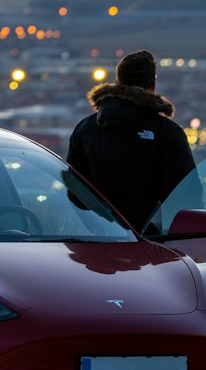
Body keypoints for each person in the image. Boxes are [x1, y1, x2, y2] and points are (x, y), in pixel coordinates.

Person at [66, 49, 195, 233]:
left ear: (117, 82)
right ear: (152, 87)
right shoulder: (166, 133)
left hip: (100, 241)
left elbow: (75, 193)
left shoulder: (85, 129)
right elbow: (186, 197)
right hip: (153, 247)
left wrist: (98, 229)